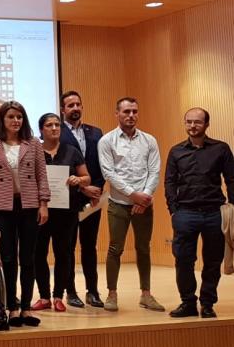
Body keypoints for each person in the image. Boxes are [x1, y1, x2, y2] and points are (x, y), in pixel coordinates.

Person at [0, 100, 49, 326]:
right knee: (8, 258)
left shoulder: (34, 144)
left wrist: (43, 203)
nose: (15, 121)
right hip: (2, 207)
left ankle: (27, 307)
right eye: (11, 117)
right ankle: (12, 307)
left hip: (29, 205)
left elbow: (42, 175)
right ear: (2, 120)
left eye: (19, 117)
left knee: (28, 258)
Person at [165, 107, 233, 318]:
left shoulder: (221, 149)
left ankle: (207, 303)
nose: (192, 126)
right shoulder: (176, 151)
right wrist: (174, 210)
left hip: (214, 213)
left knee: (213, 261)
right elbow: (169, 182)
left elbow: (231, 179)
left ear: (206, 124)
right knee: (183, 260)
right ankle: (188, 302)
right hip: (185, 213)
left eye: (197, 122)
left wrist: (233, 208)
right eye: (188, 122)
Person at [98, 97, 163, 312]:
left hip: (144, 204)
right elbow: (109, 172)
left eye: (134, 111)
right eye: (126, 111)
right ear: (117, 114)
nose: (131, 116)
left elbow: (154, 171)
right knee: (115, 249)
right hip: (119, 203)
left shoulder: (149, 140)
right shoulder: (107, 141)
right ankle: (112, 294)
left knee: (143, 248)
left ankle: (146, 294)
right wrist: (132, 194)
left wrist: (144, 196)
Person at [31, 113, 90, 312]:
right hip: (40, 210)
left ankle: (58, 296)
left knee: (63, 253)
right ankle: (44, 296)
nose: (55, 128)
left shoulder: (71, 151)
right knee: (39, 254)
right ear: (41, 130)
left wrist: (78, 180)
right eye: (49, 125)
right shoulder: (34, 151)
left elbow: (87, 178)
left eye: (57, 124)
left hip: (67, 210)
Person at [59, 90, 106, 308]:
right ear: (63, 110)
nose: (75, 108)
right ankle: (70, 291)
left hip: (93, 199)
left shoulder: (96, 133)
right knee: (67, 247)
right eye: (70, 105)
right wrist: (83, 188)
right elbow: (58, 169)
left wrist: (96, 189)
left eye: (78, 104)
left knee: (90, 246)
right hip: (68, 199)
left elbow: (102, 165)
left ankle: (93, 291)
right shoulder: (56, 133)